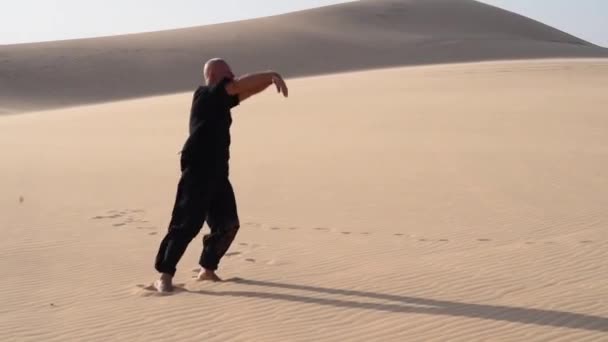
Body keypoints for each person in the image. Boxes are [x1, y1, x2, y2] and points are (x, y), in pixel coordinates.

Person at [153, 58, 288, 292]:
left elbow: (243, 92)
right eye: (228, 73)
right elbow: (238, 86)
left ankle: (207, 269)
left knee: (228, 224)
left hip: (217, 172)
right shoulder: (204, 94)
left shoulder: (220, 100)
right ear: (214, 76)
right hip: (197, 170)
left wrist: (267, 83)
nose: (233, 75)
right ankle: (164, 275)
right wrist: (271, 73)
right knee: (187, 224)